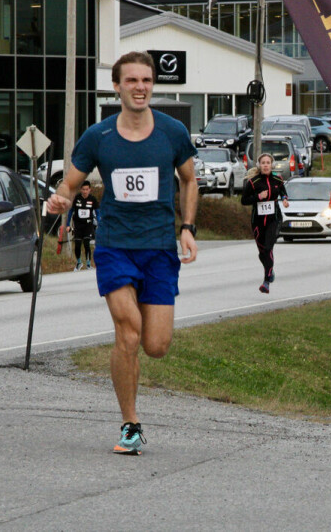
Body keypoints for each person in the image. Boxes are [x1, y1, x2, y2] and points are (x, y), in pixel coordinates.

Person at [46, 51, 198, 456]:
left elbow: (189, 180)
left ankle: (131, 383)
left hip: (160, 249)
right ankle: (130, 424)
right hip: (114, 246)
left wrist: (187, 228)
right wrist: (59, 200)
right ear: (117, 86)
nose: (140, 87)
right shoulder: (99, 137)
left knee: (156, 344)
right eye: (131, 80)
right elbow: (69, 183)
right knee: (128, 332)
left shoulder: (171, 132)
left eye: (146, 80)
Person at [241, 153, 289, 293]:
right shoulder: (253, 182)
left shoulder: (277, 179)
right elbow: (244, 200)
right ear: (259, 165)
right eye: (263, 163)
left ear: (272, 165)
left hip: (274, 219)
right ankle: (270, 270)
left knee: (268, 248)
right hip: (258, 221)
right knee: (262, 253)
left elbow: (282, 191)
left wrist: (285, 199)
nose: (266, 165)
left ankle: (266, 281)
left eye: (268, 162)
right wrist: (258, 196)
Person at [64, 181, 99, 270]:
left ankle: (88, 264)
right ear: (81, 189)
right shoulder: (76, 198)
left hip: (88, 225)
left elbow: (98, 213)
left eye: (87, 189)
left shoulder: (93, 199)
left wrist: (100, 223)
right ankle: (79, 262)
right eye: (83, 189)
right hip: (78, 225)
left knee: (87, 244)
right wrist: (68, 224)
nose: (85, 191)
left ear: (89, 190)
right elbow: (71, 211)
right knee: (78, 244)